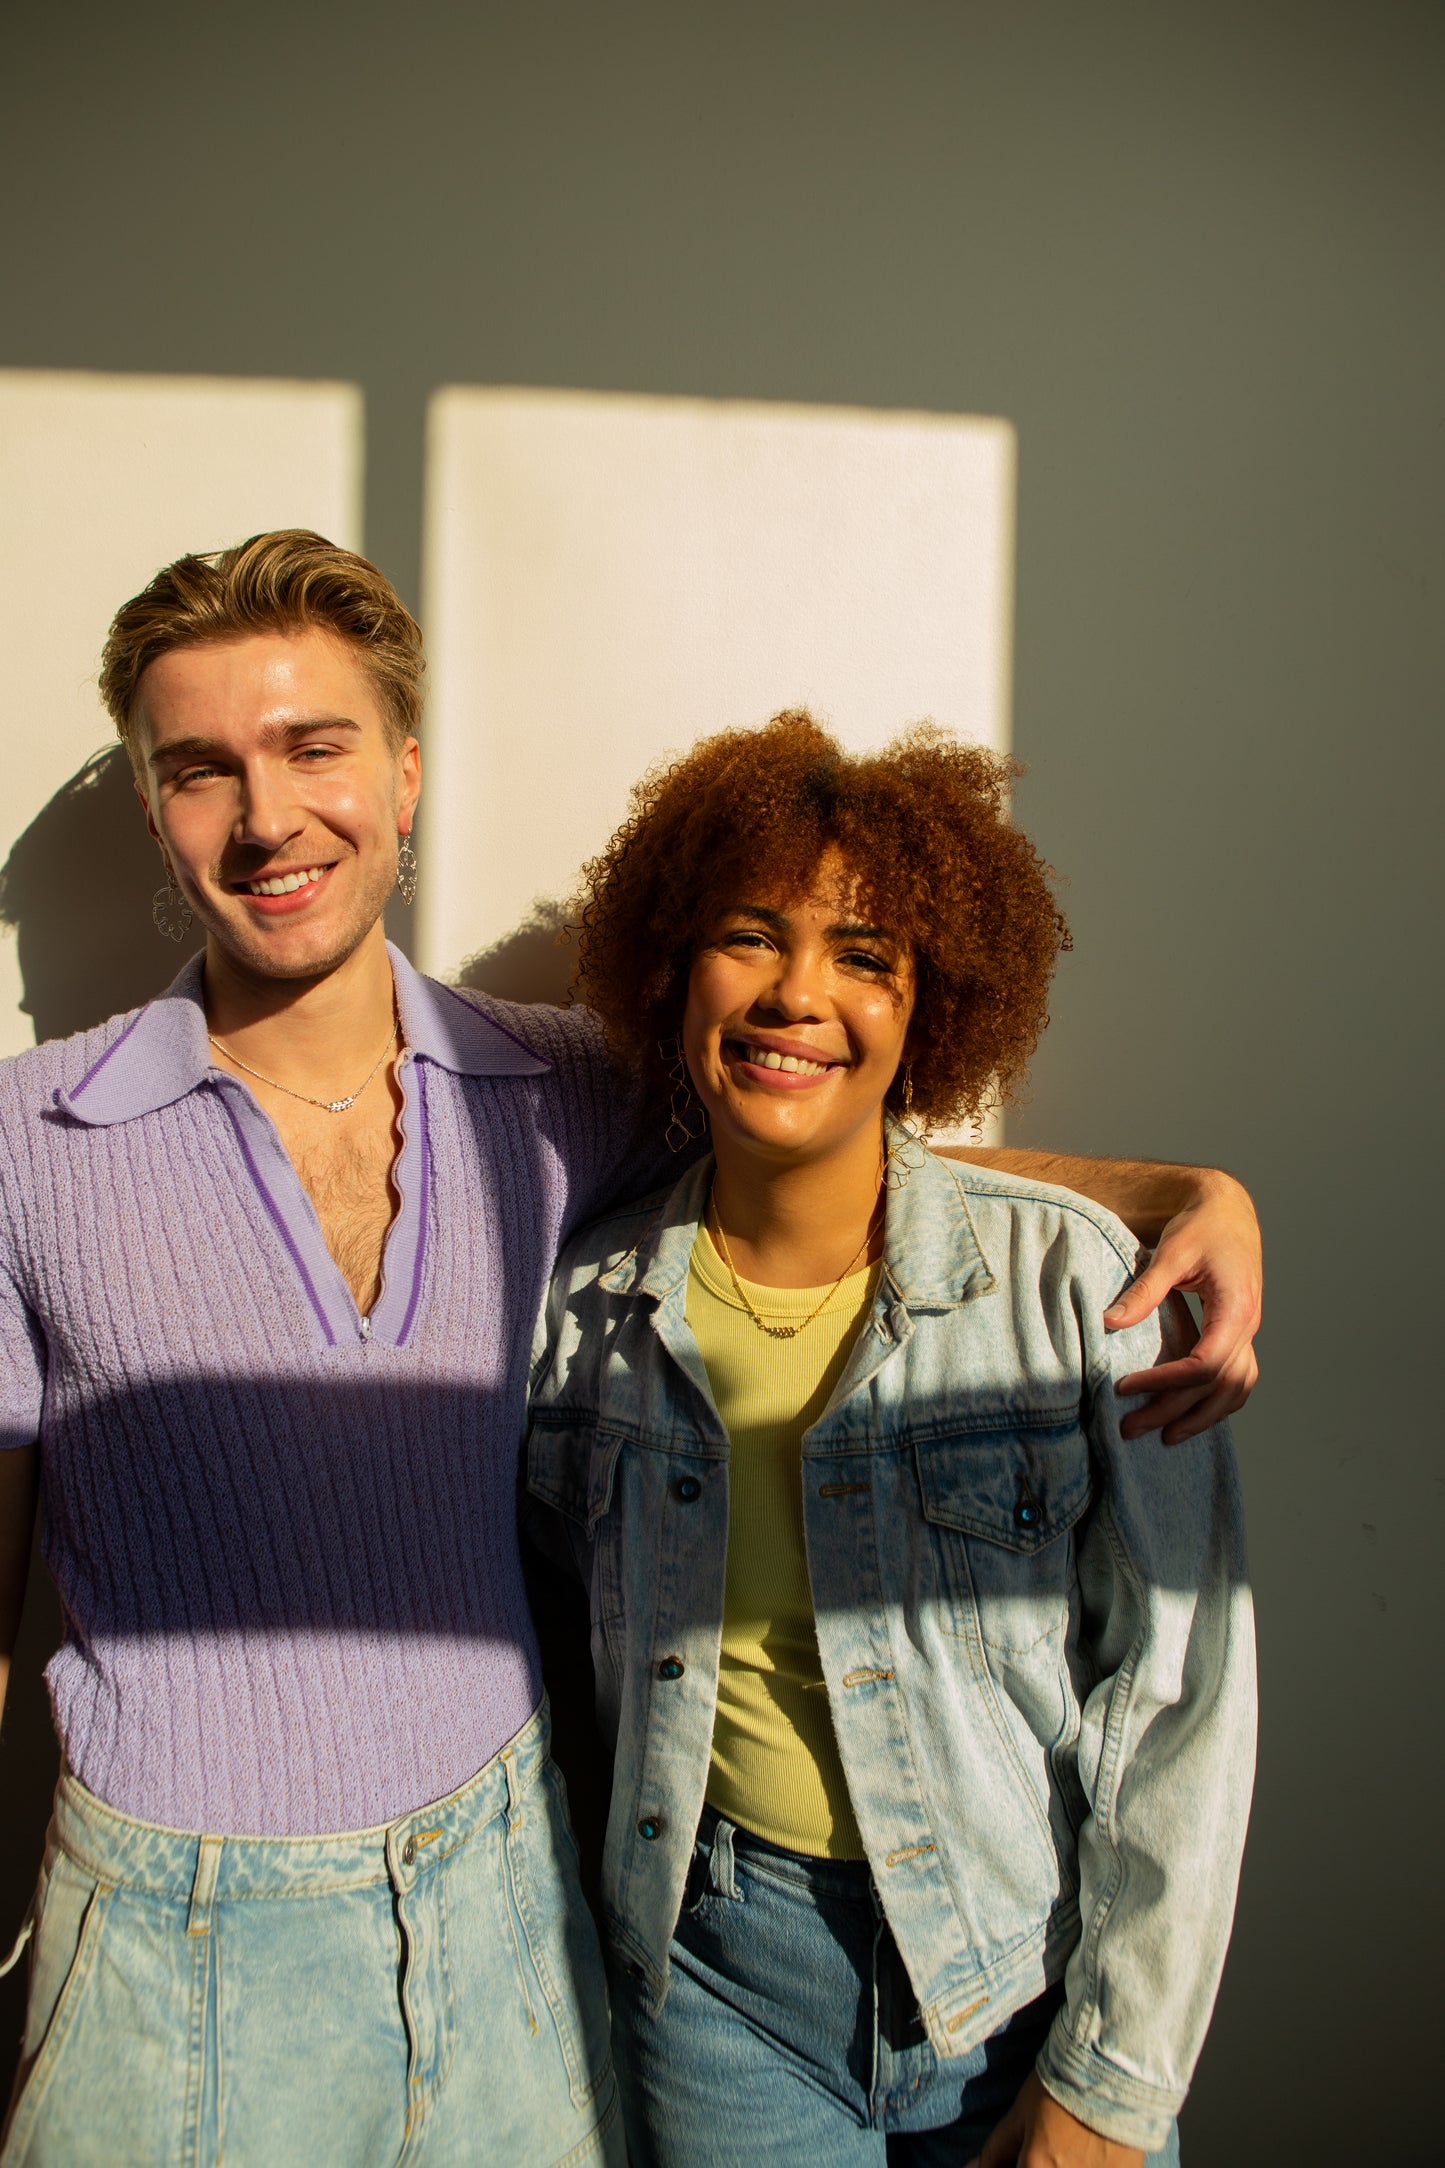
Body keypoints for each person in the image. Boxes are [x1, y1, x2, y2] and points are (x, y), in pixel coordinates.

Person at [0, 533, 1258, 2165]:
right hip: (182, 1930)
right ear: (162, 811)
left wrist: (1179, 1189)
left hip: (509, 1906)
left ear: (406, 769)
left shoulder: (557, 1088)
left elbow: (815, 1119)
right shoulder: (29, 1148)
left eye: (315, 745)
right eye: (199, 771)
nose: (267, 816)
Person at [524, 712, 1256, 2166]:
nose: (799, 993)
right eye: (749, 937)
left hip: (1019, 1976)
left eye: (864, 956)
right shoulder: (580, 1315)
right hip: (712, 1987)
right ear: (672, 973)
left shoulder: (1081, 1287)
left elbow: (1178, 1707)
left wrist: (1112, 2082)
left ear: (933, 1009)